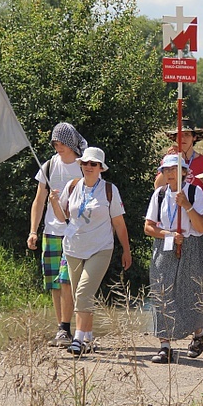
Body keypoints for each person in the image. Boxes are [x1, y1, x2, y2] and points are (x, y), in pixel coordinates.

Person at [49, 147, 132, 356]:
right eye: (85, 163)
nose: (88, 167)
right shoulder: (72, 186)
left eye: (93, 164)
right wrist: (53, 202)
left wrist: (126, 250)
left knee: (83, 293)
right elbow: (62, 218)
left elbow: (119, 223)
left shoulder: (109, 190)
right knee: (82, 298)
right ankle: (88, 337)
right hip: (73, 248)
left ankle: (77, 339)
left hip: (100, 248)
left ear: (101, 168)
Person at [144, 155, 203, 363]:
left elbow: (201, 227)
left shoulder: (194, 192)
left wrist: (187, 206)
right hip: (166, 246)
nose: (170, 174)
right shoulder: (160, 194)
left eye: (174, 169)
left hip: (191, 246)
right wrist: (168, 235)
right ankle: (165, 345)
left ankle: (198, 332)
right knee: (161, 290)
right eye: (166, 170)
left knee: (192, 291)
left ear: (183, 172)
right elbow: (148, 227)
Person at [27, 122, 87, 348]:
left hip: (75, 232)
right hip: (51, 231)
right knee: (53, 282)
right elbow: (39, 200)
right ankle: (61, 329)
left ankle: (66, 327)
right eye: (54, 143)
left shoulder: (83, 166)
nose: (57, 147)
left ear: (71, 143)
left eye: (61, 143)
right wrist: (33, 231)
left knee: (67, 281)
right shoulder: (49, 165)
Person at [154, 117, 203, 189]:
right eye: (179, 135)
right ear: (175, 138)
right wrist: (173, 161)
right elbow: (158, 186)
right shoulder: (168, 160)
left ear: (194, 137)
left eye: (187, 134)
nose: (182, 138)